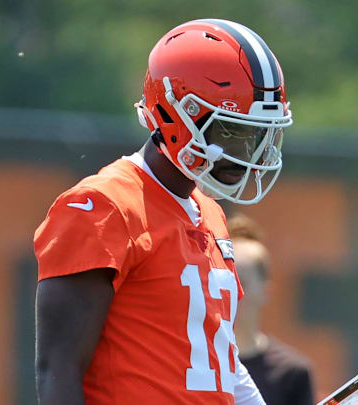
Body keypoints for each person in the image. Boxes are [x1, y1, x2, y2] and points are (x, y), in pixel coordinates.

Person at [33, 19, 292, 405]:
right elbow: (59, 369)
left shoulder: (211, 213)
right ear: (175, 113)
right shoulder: (102, 206)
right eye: (232, 133)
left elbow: (219, 359)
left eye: (256, 136)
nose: (248, 156)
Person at [227, 213, 315, 405]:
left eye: (241, 283)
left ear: (265, 291)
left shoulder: (292, 371)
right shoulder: (196, 363)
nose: (232, 293)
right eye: (226, 281)